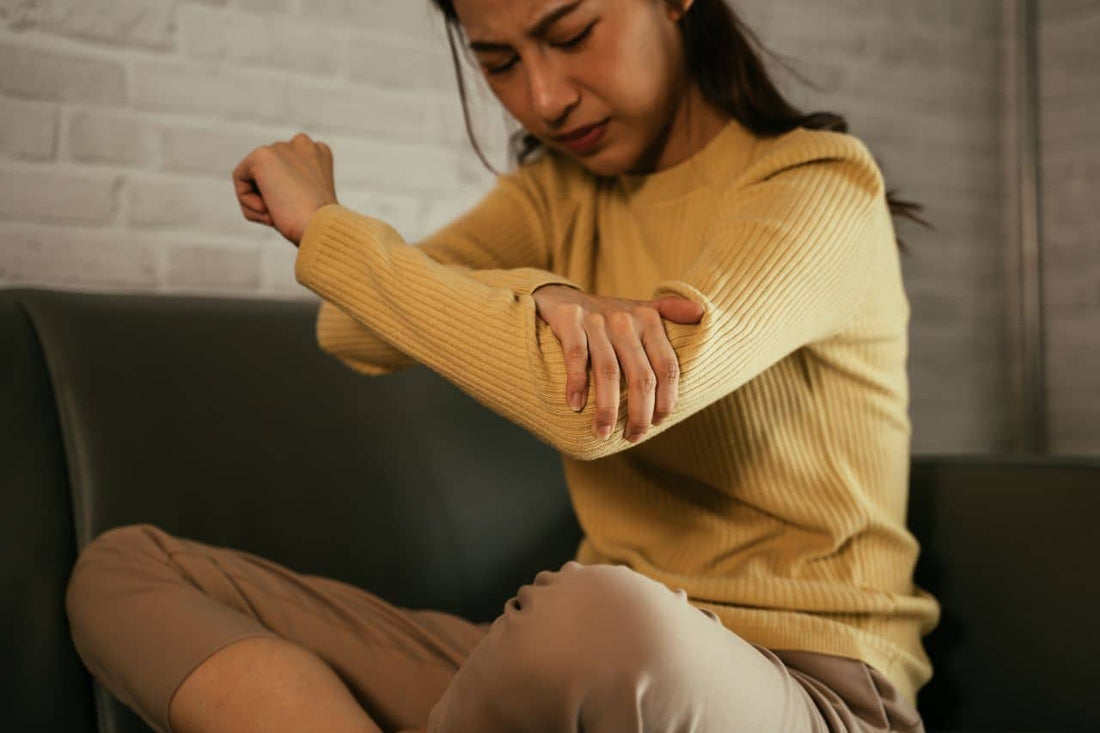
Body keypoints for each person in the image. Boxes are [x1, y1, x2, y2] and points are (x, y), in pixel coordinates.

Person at [65, 0, 941, 731]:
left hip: (804, 692)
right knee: (127, 567)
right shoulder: (552, 199)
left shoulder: (818, 184)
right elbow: (352, 328)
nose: (546, 98)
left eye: (571, 34)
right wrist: (547, 290)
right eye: (498, 63)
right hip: (575, 681)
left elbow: (601, 410)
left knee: (593, 616)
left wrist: (326, 226)